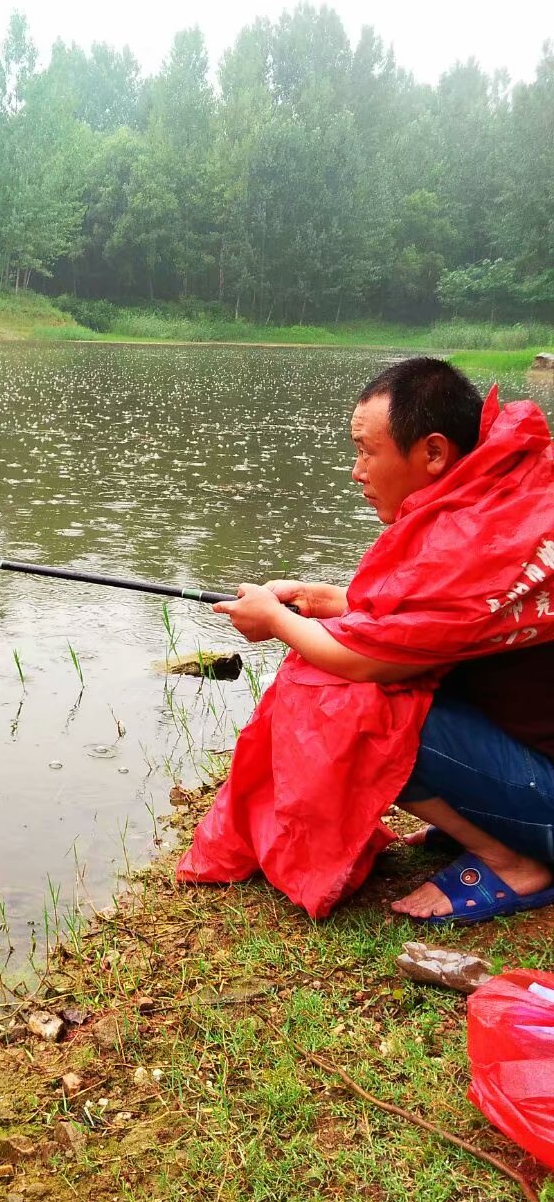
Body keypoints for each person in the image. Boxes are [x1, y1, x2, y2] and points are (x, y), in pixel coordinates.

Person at [176, 357, 554, 924]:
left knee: (342, 693)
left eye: (364, 450)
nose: (356, 471)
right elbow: (443, 619)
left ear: (432, 452)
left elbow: (362, 661)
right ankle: (485, 817)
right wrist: (328, 600)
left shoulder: (471, 540)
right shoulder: (507, 502)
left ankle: (515, 861)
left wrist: (276, 621)